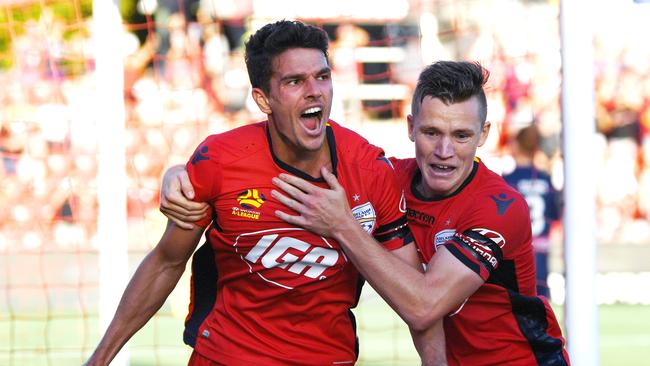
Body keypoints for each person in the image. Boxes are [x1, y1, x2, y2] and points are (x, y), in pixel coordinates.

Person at [162, 61, 570, 365]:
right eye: (432, 133)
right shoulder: (385, 181)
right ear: (411, 127)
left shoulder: (499, 207)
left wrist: (344, 227)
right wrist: (182, 174)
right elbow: (275, 165)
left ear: (483, 136)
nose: (445, 152)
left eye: (461, 136)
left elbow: (425, 307)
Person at [87, 20, 443, 366]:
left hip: (325, 357)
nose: (314, 90)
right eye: (294, 81)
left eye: (322, 76)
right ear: (263, 99)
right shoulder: (220, 161)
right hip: (228, 356)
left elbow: (417, 303)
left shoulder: (369, 169)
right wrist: (99, 359)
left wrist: (342, 227)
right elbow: (167, 261)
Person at [503, 124, 561, 298]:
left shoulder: (507, 181)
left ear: (516, 145)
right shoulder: (546, 179)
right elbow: (555, 214)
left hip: (515, 259)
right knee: (540, 311)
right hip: (541, 259)